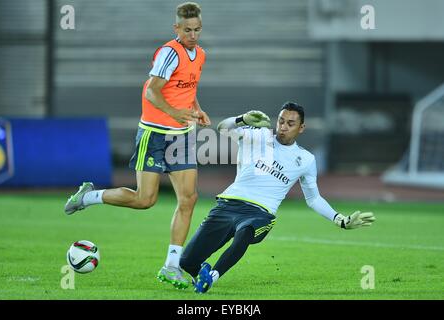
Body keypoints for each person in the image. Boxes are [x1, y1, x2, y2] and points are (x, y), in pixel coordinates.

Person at [64, 2, 210, 289]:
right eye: (188, 30)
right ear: (176, 28)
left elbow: (188, 88)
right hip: (154, 133)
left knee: (189, 199)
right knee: (145, 200)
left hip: (181, 135)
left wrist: (196, 109)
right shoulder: (169, 53)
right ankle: (89, 197)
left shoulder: (201, 54)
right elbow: (152, 91)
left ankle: (171, 266)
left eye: (197, 30)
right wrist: (175, 113)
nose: (193, 35)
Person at [179, 102, 376, 293]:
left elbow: (313, 198)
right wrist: (243, 119)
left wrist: (339, 219)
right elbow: (223, 128)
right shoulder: (257, 136)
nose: (283, 127)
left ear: (301, 128)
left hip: (260, 213)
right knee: (186, 262)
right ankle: (201, 271)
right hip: (227, 205)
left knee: (245, 233)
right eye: (281, 121)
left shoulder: (306, 159)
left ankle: (212, 277)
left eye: (290, 124)